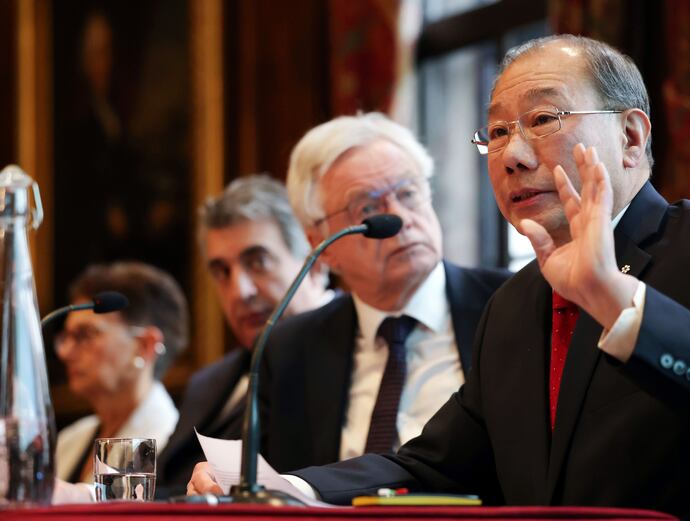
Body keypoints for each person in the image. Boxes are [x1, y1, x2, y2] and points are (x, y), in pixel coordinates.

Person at [191, 36, 690, 519]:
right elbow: (432, 466)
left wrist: (621, 305)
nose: (512, 154)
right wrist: (290, 486)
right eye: (499, 131)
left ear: (631, 137)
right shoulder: (514, 305)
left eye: (542, 118)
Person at [185, 112, 510, 494]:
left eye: (408, 193)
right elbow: (268, 481)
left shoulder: (508, 306)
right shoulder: (290, 349)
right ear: (321, 245)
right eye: (368, 208)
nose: (401, 218)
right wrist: (224, 482)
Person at [156, 175, 333, 494]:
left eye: (258, 262)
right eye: (222, 272)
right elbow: (166, 486)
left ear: (316, 263)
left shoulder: (358, 348)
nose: (240, 291)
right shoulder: (207, 383)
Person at [55, 261, 189, 484]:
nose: (66, 352)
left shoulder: (167, 441)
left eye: (86, 335)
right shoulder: (69, 439)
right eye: (65, 337)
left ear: (144, 346)